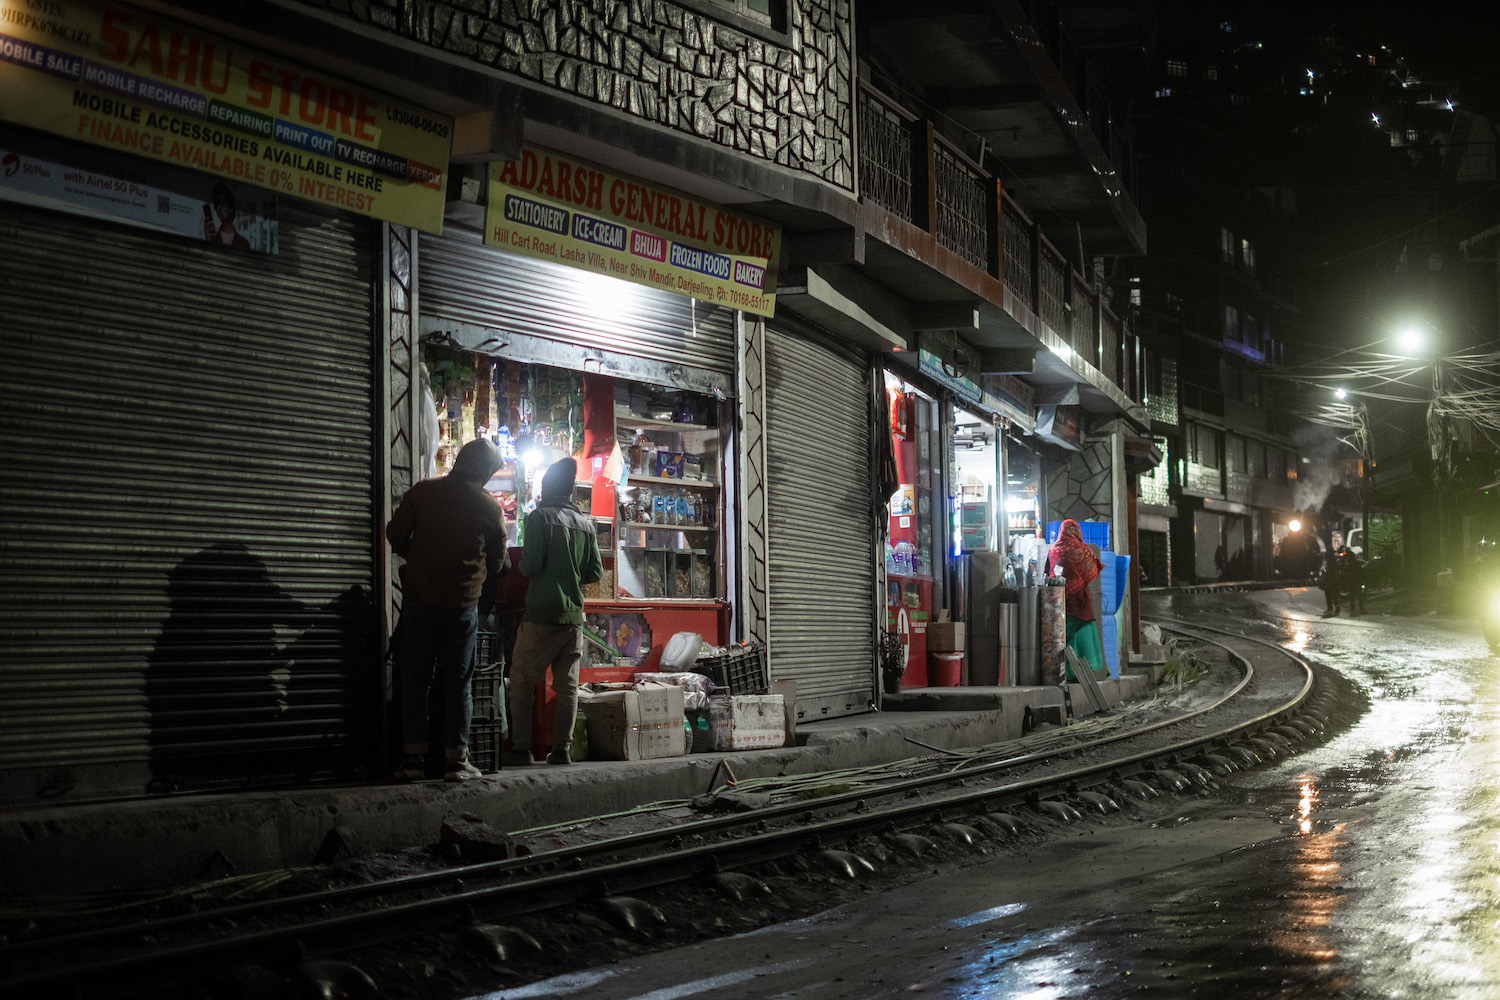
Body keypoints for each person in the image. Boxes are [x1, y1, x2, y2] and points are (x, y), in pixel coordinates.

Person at [386, 438, 509, 781]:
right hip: (461, 605)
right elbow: (498, 563)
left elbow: (395, 534)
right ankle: (456, 762)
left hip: (419, 601)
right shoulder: (489, 507)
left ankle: (412, 762)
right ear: (485, 472)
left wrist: (417, 555)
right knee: (458, 684)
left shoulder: (422, 493)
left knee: (416, 682)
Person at [505, 457, 602, 766]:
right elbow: (595, 573)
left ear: (547, 488)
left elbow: (530, 564)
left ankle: (521, 748)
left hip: (541, 615)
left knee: (521, 680)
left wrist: (519, 566)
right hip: (573, 618)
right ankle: (562, 750)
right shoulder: (586, 524)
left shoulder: (538, 519)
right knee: (568, 685)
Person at [1047, 519, 1106, 677]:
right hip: (1078, 599)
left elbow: (1048, 571)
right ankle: (1079, 671)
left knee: (1061, 635)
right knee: (1081, 634)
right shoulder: (1081, 548)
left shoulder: (1052, 549)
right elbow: (1093, 568)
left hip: (1056, 598)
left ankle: (1062, 671)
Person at [203, 182, 251, 250]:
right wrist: (207, 238)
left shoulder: (243, 243)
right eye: (217, 204)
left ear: (231, 208)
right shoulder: (212, 239)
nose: (220, 208)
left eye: (223, 203)